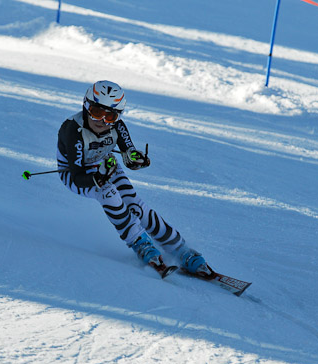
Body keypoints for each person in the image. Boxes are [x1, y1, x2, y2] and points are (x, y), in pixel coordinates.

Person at [56, 80, 212, 277]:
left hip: (107, 165)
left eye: (110, 115)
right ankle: (140, 243)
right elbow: (77, 176)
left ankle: (180, 249)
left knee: (135, 203)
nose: (103, 121)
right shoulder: (72, 130)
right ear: (85, 106)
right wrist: (97, 178)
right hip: (76, 174)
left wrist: (136, 160)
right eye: (97, 112)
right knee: (109, 193)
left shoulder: (118, 127)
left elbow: (128, 155)